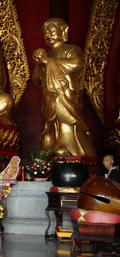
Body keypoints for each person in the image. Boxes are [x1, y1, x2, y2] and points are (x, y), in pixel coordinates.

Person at [33, 18, 95, 157]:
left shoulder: (72, 49)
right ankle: (51, 147)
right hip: (49, 99)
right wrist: (40, 64)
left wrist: (47, 62)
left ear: (63, 31)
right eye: (45, 31)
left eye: (51, 30)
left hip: (65, 97)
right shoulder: (47, 54)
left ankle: (68, 146)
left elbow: (77, 64)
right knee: (50, 126)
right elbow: (36, 80)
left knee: (66, 121)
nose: (47, 34)